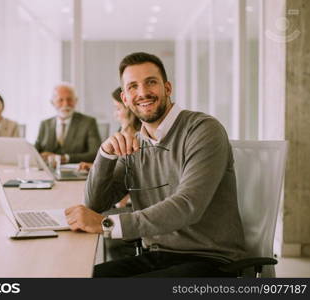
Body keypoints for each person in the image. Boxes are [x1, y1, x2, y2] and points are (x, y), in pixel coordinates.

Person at [65, 52, 246, 277]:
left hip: (211, 260)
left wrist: (107, 225)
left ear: (167, 88)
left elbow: (188, 205)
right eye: (133, 86)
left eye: (151, 82)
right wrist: (105, 155)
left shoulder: (202, 129)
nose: (142, 93)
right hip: (158, 257)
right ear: (125, 98)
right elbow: (95, 203)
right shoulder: (136, 145)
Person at [78, 87, 141, 172]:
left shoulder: (137, 137)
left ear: (130, 109)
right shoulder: (121, 131)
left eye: (118, 109)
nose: (115, 114)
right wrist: (93, 166)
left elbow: (124, 169)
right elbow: (117, 165)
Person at [35, 83, 101, 164]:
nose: (66, 104)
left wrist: (65, 158)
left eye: (69, 99)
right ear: (52, 102)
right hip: (47, 171)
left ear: (76, 101)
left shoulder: (88, 122)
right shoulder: (45, 124)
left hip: (76, 173)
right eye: (60, 100)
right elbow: (35, 151)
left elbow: (95, 154)